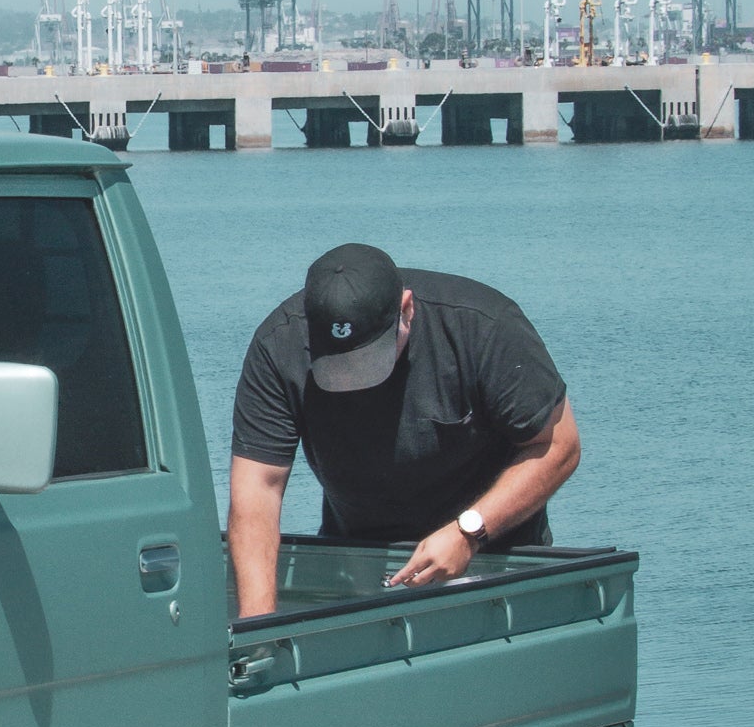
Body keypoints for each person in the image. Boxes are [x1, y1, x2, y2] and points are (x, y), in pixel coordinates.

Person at [227, 241, 581, 620]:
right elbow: (257, 495)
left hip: (496, 563)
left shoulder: (484, 326)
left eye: (368, 361)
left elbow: (560, 445)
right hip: (358, 567)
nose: (356, 381)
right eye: (340, 368)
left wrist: (469, 532)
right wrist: (258, 630)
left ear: (406, 311)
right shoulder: (278, 346)